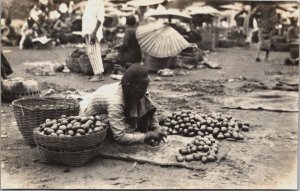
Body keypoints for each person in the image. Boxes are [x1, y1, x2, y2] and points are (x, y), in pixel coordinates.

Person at [80, 64, 167, 145]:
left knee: (143, 102)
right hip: (93, 115)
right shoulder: (116, 101)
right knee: (121, 130)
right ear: (129, 85)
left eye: (146, 87)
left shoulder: (137, 90)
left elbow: (149, 107)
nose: (145, 91)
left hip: (111, 107)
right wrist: (148, 135)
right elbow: (120, 137)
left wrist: (156, 127)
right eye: (142, 88)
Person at [82, 0, 105, 82]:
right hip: (89, 31)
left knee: (94, 52)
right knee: (90, 52)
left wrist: (94, 32)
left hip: (93, 31)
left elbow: (100, 18)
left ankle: (98, 75)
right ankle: (97, 73)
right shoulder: (90, 2)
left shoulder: (98, 1)